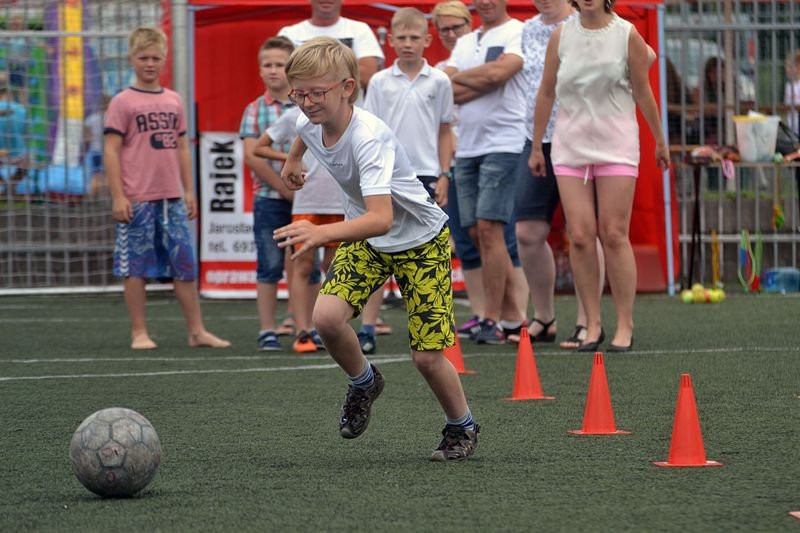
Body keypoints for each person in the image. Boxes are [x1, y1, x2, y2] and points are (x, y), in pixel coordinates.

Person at [276, 36, 479, 460]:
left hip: (420, 242)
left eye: (318, 93)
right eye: (299, 93)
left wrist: (320, 232)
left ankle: (462, 426)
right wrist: (293, 160)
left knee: (426, 358)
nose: (308, 103)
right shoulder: (305, 120)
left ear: (347, 87)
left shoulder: (369, 137)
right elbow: (302, 134)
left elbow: (381, 218)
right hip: (369, 239)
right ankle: (365, 381)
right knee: (327, 319)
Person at [531, 0, 669, 353]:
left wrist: (660, 141)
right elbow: (546, 92)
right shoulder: (561, 34)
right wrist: (536, 146)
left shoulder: (628, 34)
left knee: (613, 233)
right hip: (569, 146)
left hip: (616, 145)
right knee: (579, 235)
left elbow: (643, 91)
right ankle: (591, 324)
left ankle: (625, 323)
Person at [104, 27, 230, 350]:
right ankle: (139, 332)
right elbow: (112, 150)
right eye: (143, 57)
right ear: (132, 59)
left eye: (156, 58)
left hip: (171, 198)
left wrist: (189, 191)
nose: (150, 63)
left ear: (164, 59)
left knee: (184, 264)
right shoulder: (122, 102)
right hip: (137, 198)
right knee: (135, 266)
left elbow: (183, 148)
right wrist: (118, 195)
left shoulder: (174, 100)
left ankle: (197, 330)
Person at [359, 7, 454, 355]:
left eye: (415, 38)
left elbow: (445, 130)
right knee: (378, 247)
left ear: (428, 40)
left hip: (426, 174)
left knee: (424, 251)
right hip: (385, 175)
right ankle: (367, 327)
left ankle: (427, 329)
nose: (409, 44)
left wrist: (445, 173)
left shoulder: (440, 81)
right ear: (390, 41)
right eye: (402, 38)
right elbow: (367, 131)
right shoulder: (381, 82)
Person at [431, 0, 526, 341]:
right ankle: (514, 318)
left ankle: (492, 317)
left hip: (505, 142)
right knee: (474, 233)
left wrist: (464, 81)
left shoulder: (519, 31)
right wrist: (483, 79)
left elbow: (500, 74)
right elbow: (447, 90)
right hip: (467, 148)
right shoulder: (467, 43)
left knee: (490, 229)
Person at [514, 0, 606, 350]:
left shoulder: (590, 23)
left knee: (583, 232)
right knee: (527, 231)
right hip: (538, 138)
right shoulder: (527, 29)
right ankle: (545, 316)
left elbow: (642, 56)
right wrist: (535, 143)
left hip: (582, 137)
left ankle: (588, 319)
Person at [239, 36, 319, 352]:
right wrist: (283, 187)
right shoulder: (254, 110)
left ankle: (307, 326)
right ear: (260, 70)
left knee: (308, 263)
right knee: (269, 263)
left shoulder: (308, 104)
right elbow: (252, 155)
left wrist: (299, 190)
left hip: (310, 197)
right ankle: (267, 329)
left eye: (280, 65)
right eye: (267, 65)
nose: (274, 71)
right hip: (270, 199)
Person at [253, 104, 344, 353]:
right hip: (307, 201)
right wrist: (292, 159)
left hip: (341, 201)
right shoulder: (295, 116)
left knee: (334, 267)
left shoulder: (348, 113)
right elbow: (259, 147)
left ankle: (327, 328)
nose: (311, 96)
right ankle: (303, 330)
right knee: (303, 266)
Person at [278, 0, 384, 97]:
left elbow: (368, 76)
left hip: (349, 115)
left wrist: (307, 71)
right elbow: (280, 76)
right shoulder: (288, 33)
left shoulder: (360, 29)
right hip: (298, 112)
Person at [0, 79, 28, 193]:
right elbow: (25, 132)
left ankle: (3, 184)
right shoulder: (21, 109)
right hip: (17, 154)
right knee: (26, 163)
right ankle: (12, 185)